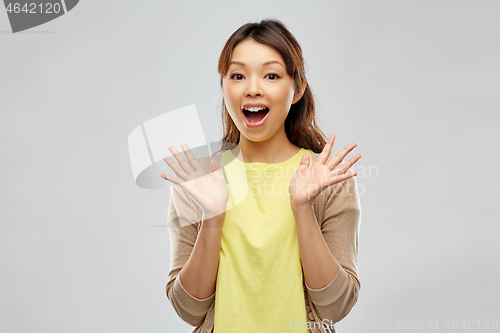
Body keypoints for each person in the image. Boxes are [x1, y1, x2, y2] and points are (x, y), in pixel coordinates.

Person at [161, 19, 362, 333]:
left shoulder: (328, 178)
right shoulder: (198, 180)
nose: (252, 88)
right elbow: (189, 310)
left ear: (297, 89)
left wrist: (302, 208)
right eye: (238, 75)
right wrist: (212, 216)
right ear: (224, 87)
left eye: (271, 75)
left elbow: (335, 308)